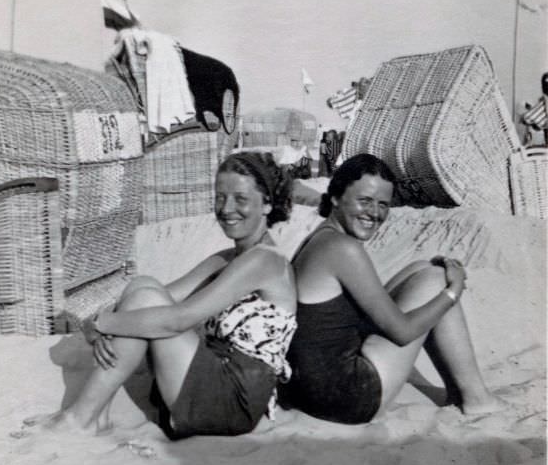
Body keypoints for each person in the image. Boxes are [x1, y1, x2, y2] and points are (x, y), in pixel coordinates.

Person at [27, 152, 297, 439]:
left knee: (145, 303)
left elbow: (179, 319)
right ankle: (96, 415)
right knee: (142, 286)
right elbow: (160, 294)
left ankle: (82, 418)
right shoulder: (230, 257)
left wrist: (102, 324)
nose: (227, 208)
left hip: (233, 400)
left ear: (267, 203)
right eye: (220, 197)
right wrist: (103, 323)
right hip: (209, 372)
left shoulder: (265, 261)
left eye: (240, 199)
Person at [286, 153, 504, 425]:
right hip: (347, 397)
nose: (374, 213)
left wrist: (427, 280)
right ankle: (476, 399)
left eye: (382, 205)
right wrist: (454, 290)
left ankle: (459, 392)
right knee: (437, 280)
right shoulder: (344, 249)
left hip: (309, 390)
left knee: (421, 268)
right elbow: (402, 333)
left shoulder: (321, 238)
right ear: (335, 198)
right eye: (364, 201)